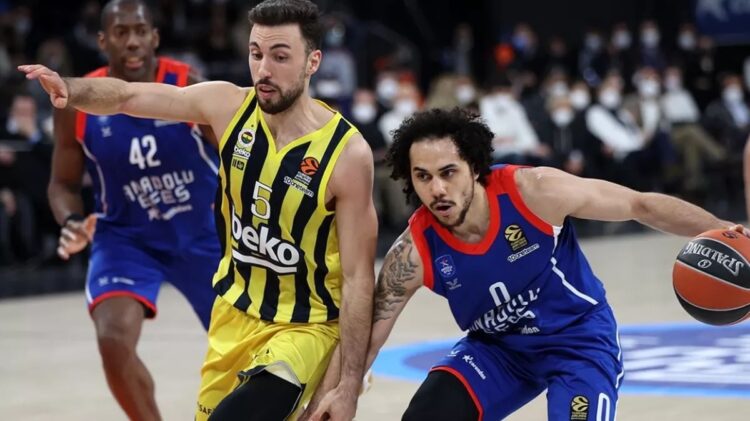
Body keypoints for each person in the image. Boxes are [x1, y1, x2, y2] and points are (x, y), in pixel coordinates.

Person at [20, 0, 377, 419]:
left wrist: (349, 379)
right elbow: (128, 95)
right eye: (256, 54)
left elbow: (359, 278)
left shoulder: (347, 154)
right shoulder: (227, 105)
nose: (263, 69)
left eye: (280, 57)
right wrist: (71, 88)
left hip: (305, 323)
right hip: (233, 310)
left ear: (313, 62)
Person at [307, 107, 747, 421]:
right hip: (498, 352)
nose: (437, 189)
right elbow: (365, 333)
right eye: (423, 177)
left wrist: (725, 231)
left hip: (579, 342)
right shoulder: (414, 250)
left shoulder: (534, 192)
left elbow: (640, 205)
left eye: (448, 172)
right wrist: (343, 391)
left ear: (474, 167)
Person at [45, 1, 221, 420]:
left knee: (250, 350)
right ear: (102, 40)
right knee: (113, 340)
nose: (132, 41)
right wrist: (72, 221)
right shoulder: (77, 102)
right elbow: (62, 184)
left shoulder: (189, 85)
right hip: (127, 237)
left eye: (140, 30)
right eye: (120, 32)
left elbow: (239, 157)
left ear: (155, 37)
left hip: (204, 234)